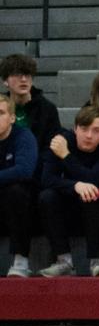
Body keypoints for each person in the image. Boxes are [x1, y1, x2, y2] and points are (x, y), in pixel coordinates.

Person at [36, 107, 99, 278]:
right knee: (47, 196)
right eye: (84, 129)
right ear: (75, 129)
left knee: (92, 194)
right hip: (67, 201)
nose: (88, 135)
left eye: (95, 131)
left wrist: (66, 156)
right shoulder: (61, 141)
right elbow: (46, 179)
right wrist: (75, 185)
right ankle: (64, 262)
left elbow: (95, 180)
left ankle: (97, 262)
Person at [0, 95, 38, 277]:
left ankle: (21, 260)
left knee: (15, 192)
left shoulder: (23, 136)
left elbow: (24, 170)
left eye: (1, 113)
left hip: (22, 201)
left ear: (12, 118)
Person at [1, 53, 61, 149]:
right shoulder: (1, 107)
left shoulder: (47, 109)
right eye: (17, 75)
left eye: (27, 75)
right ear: (5, 80)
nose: (24, 79)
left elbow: (51, 148)